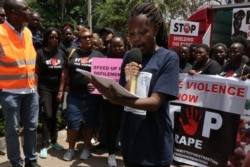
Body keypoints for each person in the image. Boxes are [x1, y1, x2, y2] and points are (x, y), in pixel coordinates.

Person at [90, 3, 179, 167]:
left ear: (156, 30)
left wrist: (115, 100)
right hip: (130, 143)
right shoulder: (130, 56)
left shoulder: (168, 58)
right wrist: (129, 79)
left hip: (155, 147)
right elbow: (128, 93)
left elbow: (154, 103)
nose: (136, 38)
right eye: (131, 34)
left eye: (143, 32)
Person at [0, 0, 40, 167]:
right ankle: (16, 162)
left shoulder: (28, 33)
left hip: (30, 90)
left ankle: (31, 161)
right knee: (12, 130)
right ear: (12, 13)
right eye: (25, 9)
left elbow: (30, 61)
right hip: (9, 92)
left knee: (31, 128)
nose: (29, 12)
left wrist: (35, 86)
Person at [58, 27, 104, 161]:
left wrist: (95, 84)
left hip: (92, 96)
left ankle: (86, 148)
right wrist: (60, 91)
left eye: (90, 36)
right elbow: (65, 73)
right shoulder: (71, 52)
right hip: (74, 95)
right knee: (73, 122)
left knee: (89, 123)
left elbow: (104, 76)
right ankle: (71, 149)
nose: (89, 39)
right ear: (79, 40)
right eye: (85, 37)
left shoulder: (98, 55)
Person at [36, 27, 66, 159]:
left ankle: (54, 141)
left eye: (56, 37)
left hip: (57, 88)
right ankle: (44, 145)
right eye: (51, 37)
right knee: (47, 115)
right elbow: (36, 73)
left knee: (55, 115)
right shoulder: (41, 53)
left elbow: (64, 74)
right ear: (46, 38)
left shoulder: (61, 53)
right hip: (44, 88)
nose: (54, 39)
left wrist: (60, 90)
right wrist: (36, 90)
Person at [99, 33, 127, 167]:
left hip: (127, 99)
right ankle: (111, 154)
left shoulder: (130, 60)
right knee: (111, 127)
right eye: (114, 46)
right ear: (110, 46)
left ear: (125, 46)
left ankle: (125, 153)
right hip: (108, 101)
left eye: (120, 46)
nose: (117, 49)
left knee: (126, 127)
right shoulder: (103, 60)